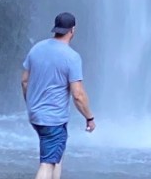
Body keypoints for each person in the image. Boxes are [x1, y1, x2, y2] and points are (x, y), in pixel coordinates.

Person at [21, 12, 96, 179]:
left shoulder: (37, 49)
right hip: (53, 118)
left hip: (36, 115)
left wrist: (31, 104)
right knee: (47, 164)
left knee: (56, 156)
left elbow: (24, 81)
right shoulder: (72, 57)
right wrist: (89, 117)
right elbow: (78, 95)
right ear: (72, 30)